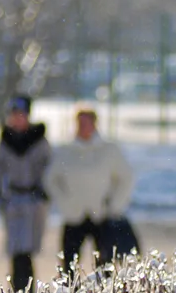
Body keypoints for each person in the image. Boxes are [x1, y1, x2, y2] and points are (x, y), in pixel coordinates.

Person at [44, 103, 135, 275]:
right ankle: (72, 292)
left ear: (95, 124)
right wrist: (64, 202)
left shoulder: (109, 150)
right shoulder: (66, 151)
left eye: (87, 122)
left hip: (101, 215)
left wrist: (114, 205)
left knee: (105, 265)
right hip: (74, 215)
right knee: (69, 267)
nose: (83, 127)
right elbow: (51, 179)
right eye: (80, 123)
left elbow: (126, 177)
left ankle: (104, 292)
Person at [0, 94, 52, 293]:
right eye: (13, 115)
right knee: (16, 250)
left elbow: (50, 168)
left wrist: (45, 191)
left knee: (27, 251)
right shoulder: (5, 141)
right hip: (13, 199)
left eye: (21, 114)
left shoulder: (38, 140)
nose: (17, 119)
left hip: (33, 200)